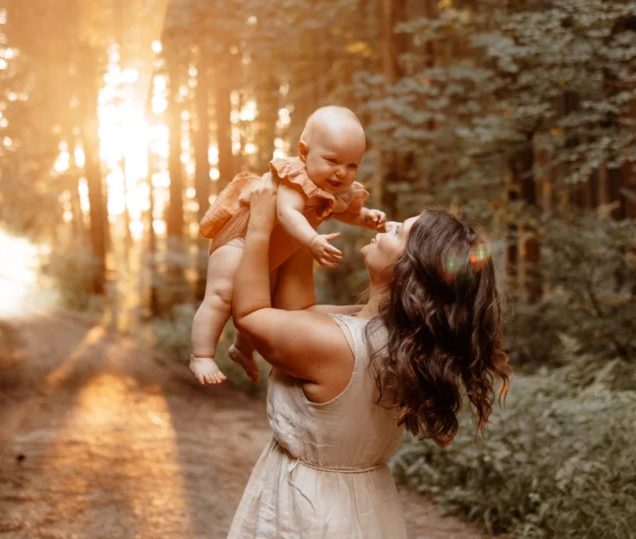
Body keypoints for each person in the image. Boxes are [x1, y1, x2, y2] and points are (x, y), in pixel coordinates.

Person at [226, 174, 511, 538]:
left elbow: (250, 316)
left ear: (408, 274)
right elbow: (298, 310)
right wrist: (303, 219)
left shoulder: (339, 345)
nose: (389, 224)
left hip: (312, 511)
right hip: (363, 508)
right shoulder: (398, 339)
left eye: (399, 233)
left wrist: (261, 226)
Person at [190, 106, 387, 385]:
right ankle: (201, 355)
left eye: (352, 165)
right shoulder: (294, 177)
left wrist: (366, 218)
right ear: (304, 152)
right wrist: (312, 241)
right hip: (240, 238)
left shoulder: (333, 187)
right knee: (222, 295)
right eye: (332, 160)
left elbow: (343, 210)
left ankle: (241, 349)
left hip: (269, 248)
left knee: (259, 304)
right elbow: (287, 213)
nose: (341, 172)